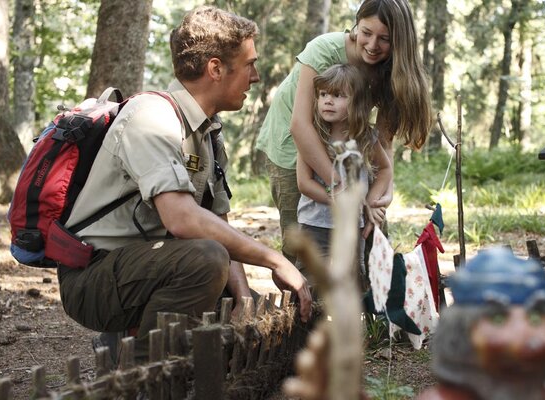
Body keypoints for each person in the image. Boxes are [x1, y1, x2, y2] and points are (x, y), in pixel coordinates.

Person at [58, 6, 311, 363]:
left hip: (148, 267)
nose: (256, 76)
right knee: (205, 260)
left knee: (245, 305)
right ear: (215, 68)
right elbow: (182, 219)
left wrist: (242, 296)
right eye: (249, 64)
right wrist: (273, 260)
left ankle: (129, 346)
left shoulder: (207, 132)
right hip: (94, 277)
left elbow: (216, 222)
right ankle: (142, 373)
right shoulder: (151, 117)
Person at [256, 0, 433, 264]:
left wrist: (384, 189)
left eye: (385, 39)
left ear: (399, 41)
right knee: (303, 240)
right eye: (366, 33)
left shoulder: (391, 70)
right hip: (293, 143)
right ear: (356, 25)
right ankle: (307, 300)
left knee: (370, 233)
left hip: (347, 143)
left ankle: (369, 295)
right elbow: (300, 125)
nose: (373, 46)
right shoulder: (324, 50)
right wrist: (340, 185)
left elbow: (383, 141)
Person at [296, 64, 391, 285]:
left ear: (356, 102)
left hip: (351, 226)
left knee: (351, 282)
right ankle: (309, 320)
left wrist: (370, 202)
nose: (328, 100)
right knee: (311, 282)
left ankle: (347, 320)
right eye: (323, 94)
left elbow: (385, 170)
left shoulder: (366, 138)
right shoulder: (313, 136)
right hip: (315, 224)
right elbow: (304, 183)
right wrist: (335, 197)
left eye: (338, 95)